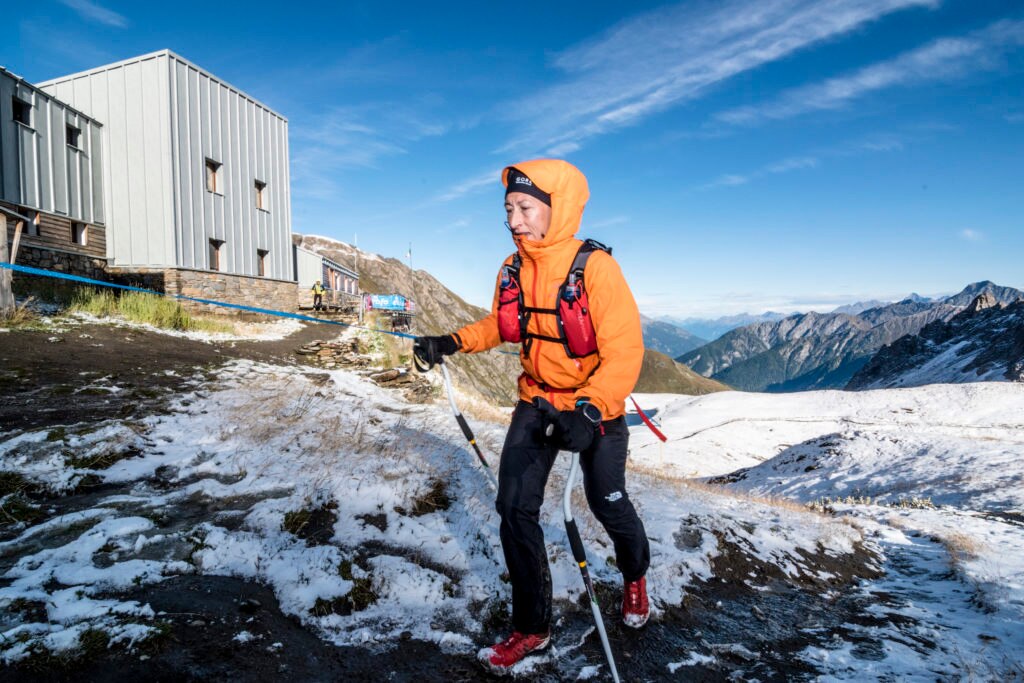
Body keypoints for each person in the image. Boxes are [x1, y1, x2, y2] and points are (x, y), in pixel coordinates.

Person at [413, 159, 650, 674]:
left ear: (555, 208)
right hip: (537, 402)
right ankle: (532, 628)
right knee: (515, 508)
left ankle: (635, 577)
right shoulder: (513, 267)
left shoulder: (596, 269)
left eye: (524, 208)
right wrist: (451, 341)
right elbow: (502, 325)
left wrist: (589, 409)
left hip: (595, 410)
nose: (515, 219)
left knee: (607, 504)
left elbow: (626, 351)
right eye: (509, 210)